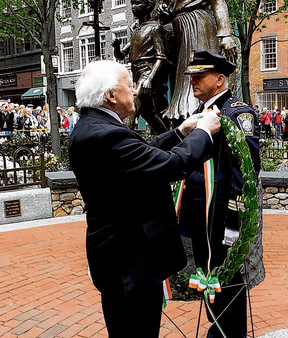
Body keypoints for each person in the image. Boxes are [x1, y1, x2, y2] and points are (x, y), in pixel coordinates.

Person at [69, 59, 220, 338]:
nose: (136, 91)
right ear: (111, 95)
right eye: (129, 86)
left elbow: (142, 153)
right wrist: (203, 132)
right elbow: (171, 165)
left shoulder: (94, 126)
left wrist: (179, 132)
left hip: (119, 256)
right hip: (130, 260)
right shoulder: (107, 134)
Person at [179, 50, 262, 338]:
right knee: (208, 275)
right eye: (192, 77)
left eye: (200, 76)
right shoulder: (198, 114)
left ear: (220, 79)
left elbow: (246, 172)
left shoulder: (237, 113)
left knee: (228, 278)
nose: (193, 81)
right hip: (200, 214)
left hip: (221, 216)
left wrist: (234, 222)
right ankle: (220, 329)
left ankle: (231, 333)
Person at [113, 0, 173, 133]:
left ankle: (123, 147)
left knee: (131, 107)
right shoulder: (136, 31)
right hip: (136, 73)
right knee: (148, 114)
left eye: (137, 3)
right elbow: (121, 56)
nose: (133, 7)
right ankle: (170, 141)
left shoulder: (155, 28)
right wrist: (116, 47)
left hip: (147, 73)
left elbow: (160, 57)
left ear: (148, 5)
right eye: (132, 3)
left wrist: (149, 79)